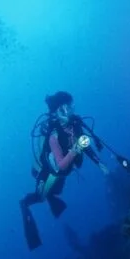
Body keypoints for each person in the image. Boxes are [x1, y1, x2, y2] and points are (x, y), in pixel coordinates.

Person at [20, 91, 109, 250]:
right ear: (55, 113)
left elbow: (84, 143)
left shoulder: (76, 125)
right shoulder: (53, 135)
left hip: (62, 172)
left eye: (69, 107)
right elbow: (61, 165)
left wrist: (99, 164)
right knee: (41, 197)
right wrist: (76, 149)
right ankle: (25, 204)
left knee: (57, 191)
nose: (68, 112)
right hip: (50, 172)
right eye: (62, 110)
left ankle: (52, 198)